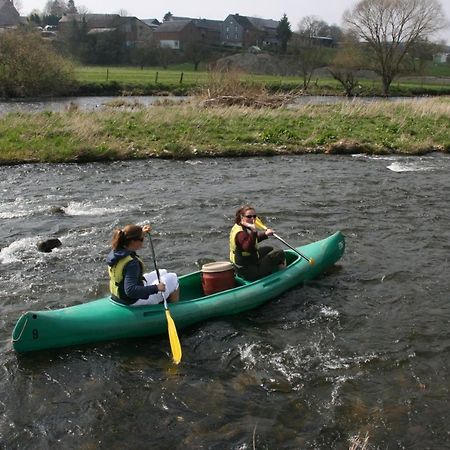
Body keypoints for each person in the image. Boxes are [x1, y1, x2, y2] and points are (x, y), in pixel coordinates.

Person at [107, 224, 179, 306]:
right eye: (141, 239)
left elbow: (130, 236)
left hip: (119, 295)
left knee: (163, 272)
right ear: (132, 241)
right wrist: (156, 288)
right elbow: (130, 290)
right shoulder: (132, 264)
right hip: (133, 301)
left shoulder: (117, 250)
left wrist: (141, 232)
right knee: (173, 277)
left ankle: (162, 299)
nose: (143, 241)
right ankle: (174, 309)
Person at [229, 206, 286, 281]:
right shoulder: (241, 234)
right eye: (249, 216)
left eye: (254, 216)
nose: (252, 219)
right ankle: (283, 275)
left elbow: (250, 240)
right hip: (249, 271)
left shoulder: (239, 226)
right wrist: (254, 231)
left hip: (244, 263)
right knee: (280, 253)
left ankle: (271, 269)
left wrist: (265, 234)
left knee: (270, 249)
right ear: (241, 217)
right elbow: (248, 247)